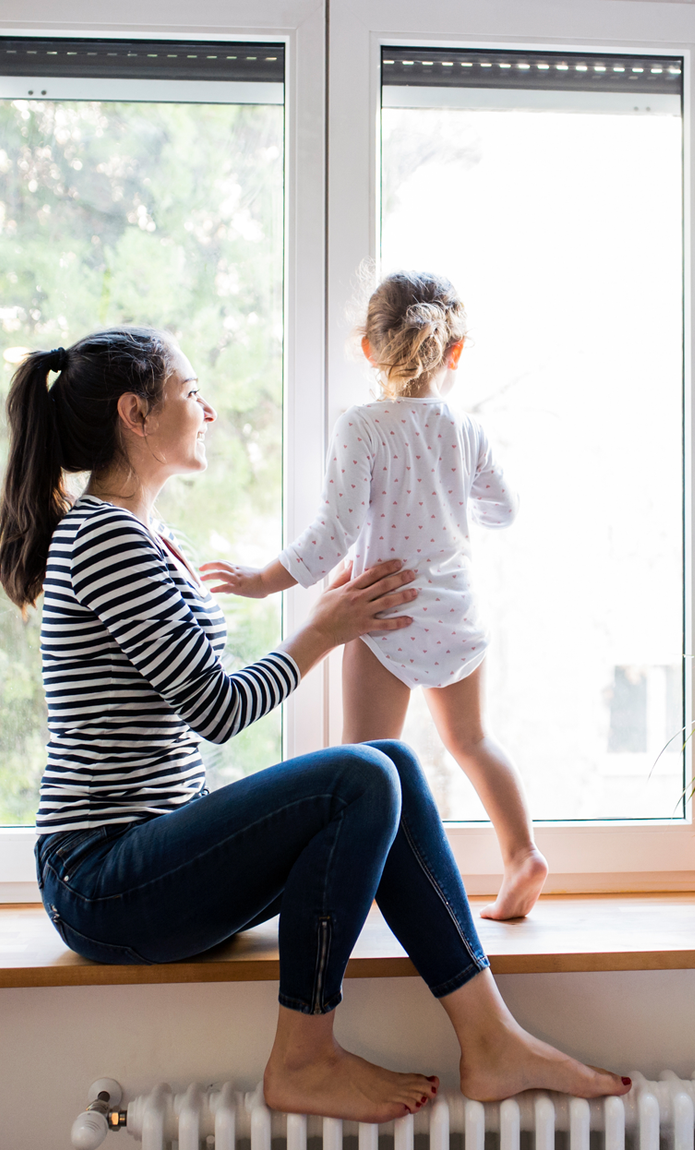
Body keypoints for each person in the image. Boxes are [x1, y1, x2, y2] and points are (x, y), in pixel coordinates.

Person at [0, 326, 629, 1124]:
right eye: (192, 393)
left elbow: (192, 695)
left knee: (388, 761)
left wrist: (323, 620)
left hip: (152, 856)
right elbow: (217, 708)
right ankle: (303, 1056)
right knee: (361, 774)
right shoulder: (106, 539)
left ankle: (491, 1038)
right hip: (101, 880)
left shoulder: (152, 539)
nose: (210, 410)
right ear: (136, 414)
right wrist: (322, 631)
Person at [202, 272, 546, 921]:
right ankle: (522, 853)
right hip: (454, 609)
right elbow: (504, 509)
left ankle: (360, 893)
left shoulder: (360, 428)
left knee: (363, 764)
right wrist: (448, 493)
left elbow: (331, 537)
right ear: (456, 351)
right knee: (472, 741)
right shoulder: (464, 429)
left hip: (382, 611)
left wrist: (258, 580)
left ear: (367, 348)